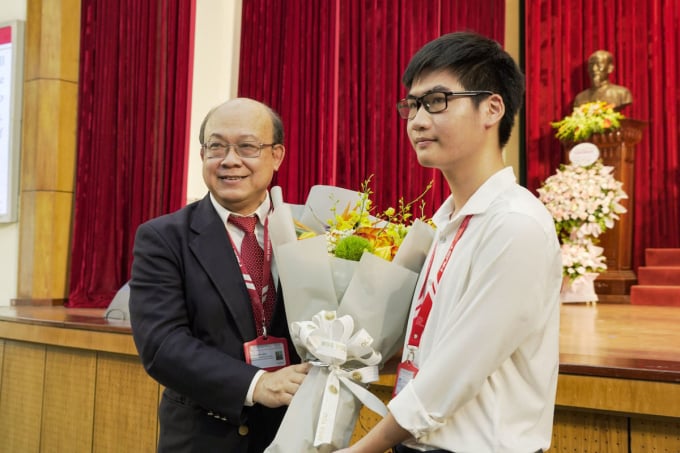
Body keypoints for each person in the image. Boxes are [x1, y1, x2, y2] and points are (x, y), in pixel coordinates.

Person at [336, 32, 562, 453]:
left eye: (437, 101)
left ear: (492, 108)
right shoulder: (444, 224)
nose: (418, 120)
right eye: (412, 105)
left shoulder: (514, 225)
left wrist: (363, 449)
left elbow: (457, 371)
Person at [129, 97, 311, 453]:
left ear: (277, 155)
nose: (230, 160)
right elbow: (162, 345)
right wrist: (257, 384)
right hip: (205, 436)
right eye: (216, 147)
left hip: (294, 431)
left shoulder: (312, 231)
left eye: (247, 146)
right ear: (202, 156)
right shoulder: (163, 237)